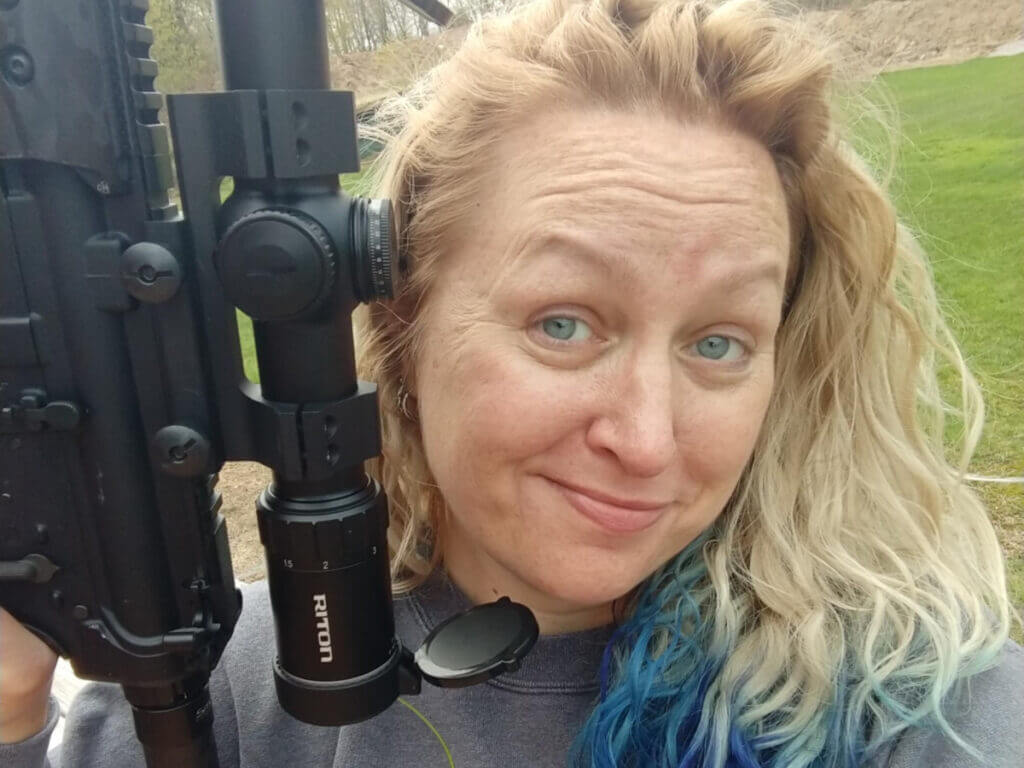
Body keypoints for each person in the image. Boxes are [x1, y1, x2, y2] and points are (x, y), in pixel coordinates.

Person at [2, 0, 1021, 765]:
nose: (648, 440)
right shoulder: (214, 688)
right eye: (563, 323)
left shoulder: (912, 708)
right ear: (401, 318)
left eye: (717, 344)